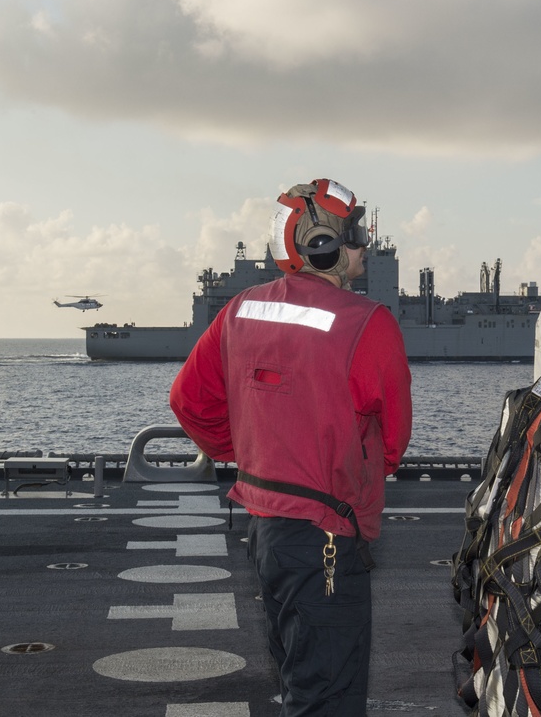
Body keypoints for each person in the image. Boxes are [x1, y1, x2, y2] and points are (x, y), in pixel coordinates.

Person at [169, 178, 412, 716]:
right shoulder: (367, 323)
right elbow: (393, 441)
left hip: (265, 531)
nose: (364, 248)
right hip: (328, 538)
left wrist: (251, 452)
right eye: (353, 237)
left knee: (302, 683)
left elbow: (188, 400)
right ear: (321, 243)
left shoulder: (239, 311)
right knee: (328, 696)